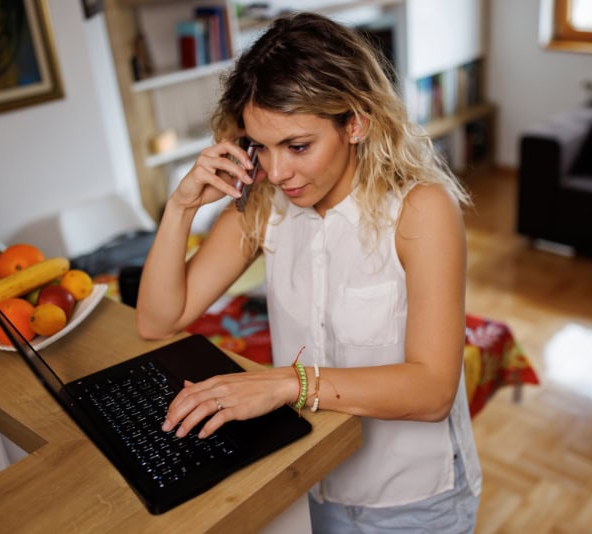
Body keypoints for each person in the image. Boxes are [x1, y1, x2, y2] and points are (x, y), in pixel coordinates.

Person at [136, 12, 482, 532]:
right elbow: (158, 319)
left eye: (298, 146)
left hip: (411, 499)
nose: (276, 172)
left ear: (356, 123)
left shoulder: (420, 210)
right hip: (315, 478)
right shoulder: (265, 205)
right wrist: (181, 207)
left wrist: (285, 385)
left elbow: (432, 391)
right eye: (261, 146)